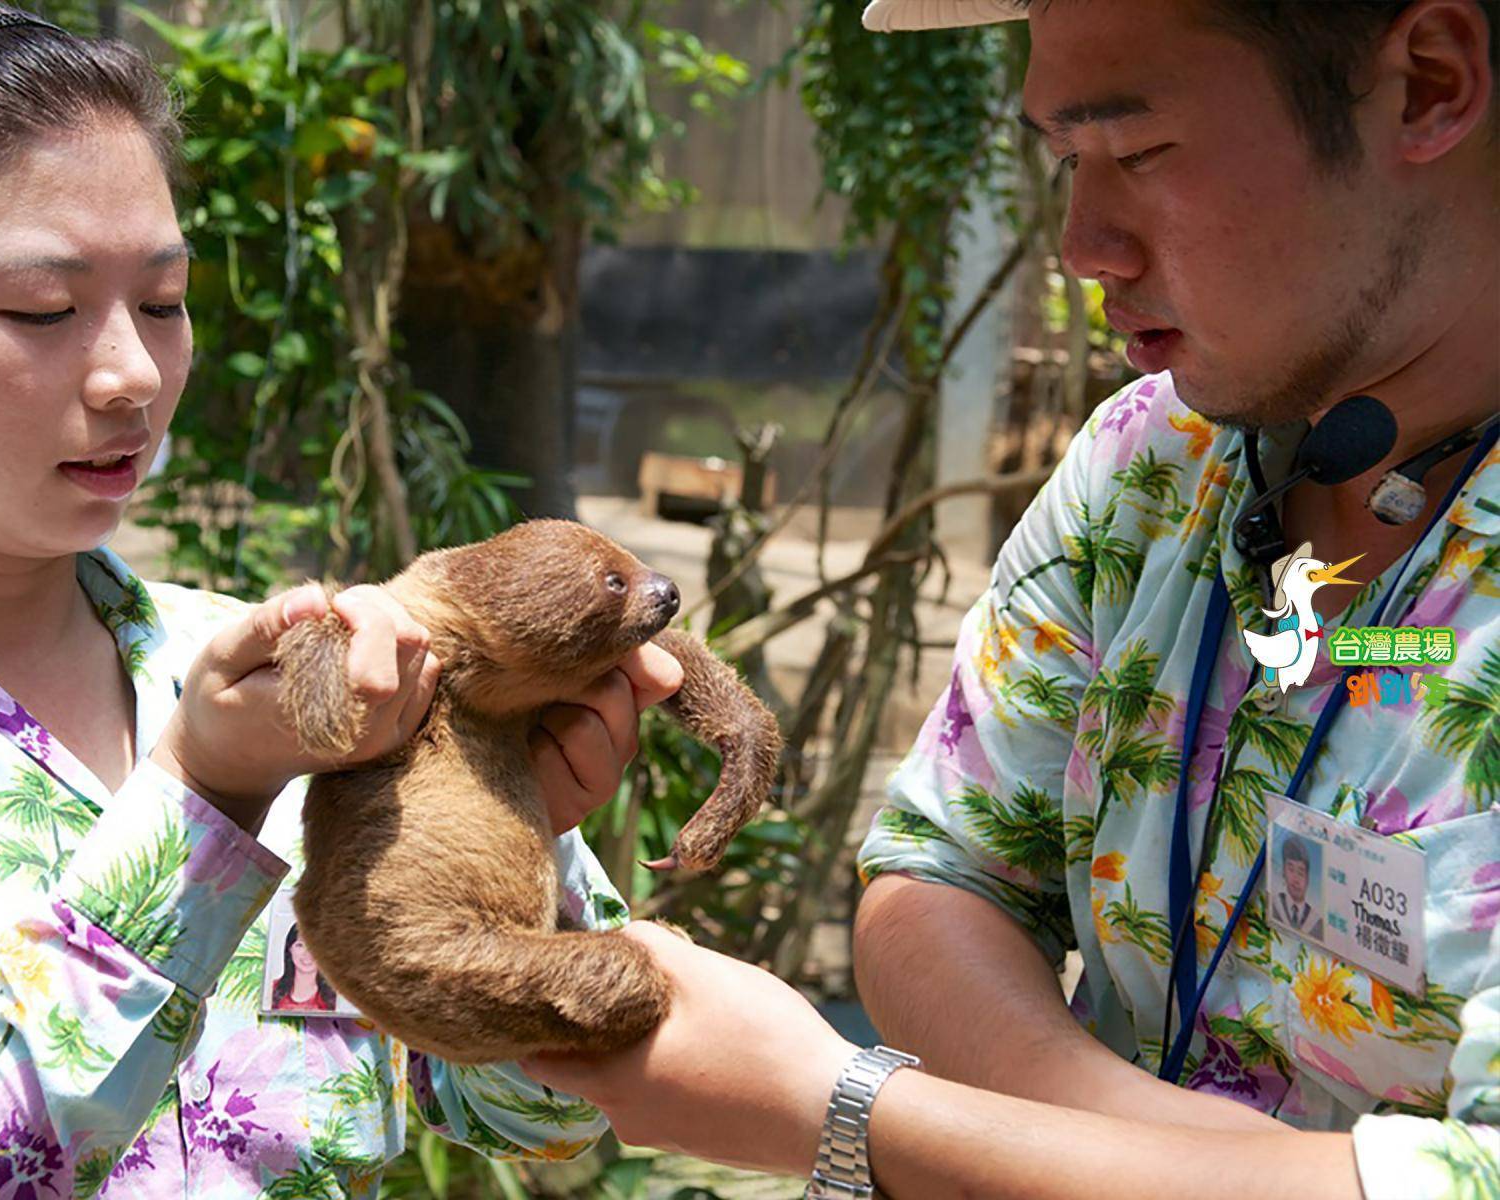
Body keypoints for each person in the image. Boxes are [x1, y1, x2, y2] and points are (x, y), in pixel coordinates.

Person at [525, 1, 1499, 1197]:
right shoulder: (1155, 457)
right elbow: (941, 874)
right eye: (1062, 160)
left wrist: (845, 1115)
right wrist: (1146, 1148)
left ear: (1431, 86)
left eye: (1141, 152)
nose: (1082, 244)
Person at [0, 2, 676, 1195]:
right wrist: (202, 806)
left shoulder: (282, 672)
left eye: (162, 302)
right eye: (40, 311)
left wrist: (529, 847)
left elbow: (543, 1129)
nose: (131, 375)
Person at [272, 923, 339, 1014]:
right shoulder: (272, 990)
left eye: (314, 945)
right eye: (300, 945)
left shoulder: (335, 997)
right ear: (289, 949)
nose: (307, 953)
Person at [1272, 837, 1325, 941]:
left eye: (1301, 873)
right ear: (1283, 871)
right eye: (1291, 869)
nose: (1295, 879)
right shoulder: (1273, 905)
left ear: (1308, 879)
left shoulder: (1318, 924)